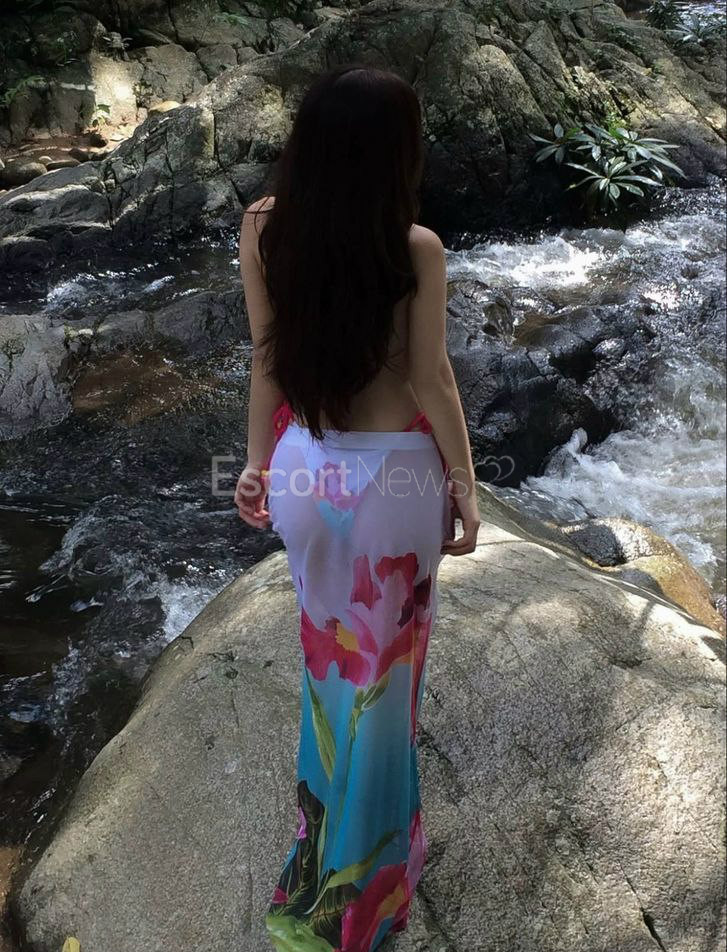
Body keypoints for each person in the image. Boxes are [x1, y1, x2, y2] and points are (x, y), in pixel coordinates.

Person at [234, 62, 479, 951]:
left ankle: (319, 861)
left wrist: (257, 464)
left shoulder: (263, 226)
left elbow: (267, 357)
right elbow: (430, 378)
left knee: (328, 673)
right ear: (394, 153)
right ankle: (362, 901)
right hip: (395, 485)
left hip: (305, 471)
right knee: (385, 683)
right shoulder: (413, 247)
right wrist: (464, 484)